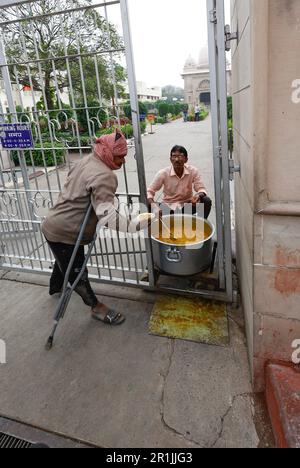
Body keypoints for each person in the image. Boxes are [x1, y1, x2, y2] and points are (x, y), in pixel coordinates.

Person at [42, 130, 144, 326]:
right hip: (66, 231)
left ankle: (55, 287)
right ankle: (96, 307)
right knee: (78, 272)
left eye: (124, 156)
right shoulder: (105, 175)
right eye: (119, 156)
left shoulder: (86, 160)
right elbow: (108, 217)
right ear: (107, 151)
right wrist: (135, 225)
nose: (123, 161)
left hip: (53, 224)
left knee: (64, 260)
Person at [147, 145, 212, 219]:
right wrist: (155, 207)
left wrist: (198, 196)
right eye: (174, 156)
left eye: (180, 156)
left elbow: (201, 189)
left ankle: (200, 226)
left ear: (186, 159)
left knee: (206, 201)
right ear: (170, 159)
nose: (177, 159)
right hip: (168, 208)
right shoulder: (163, 173)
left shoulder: (193, 171)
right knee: (147, 205)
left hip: (187, 206)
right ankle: (157, 227)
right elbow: (149, 192)